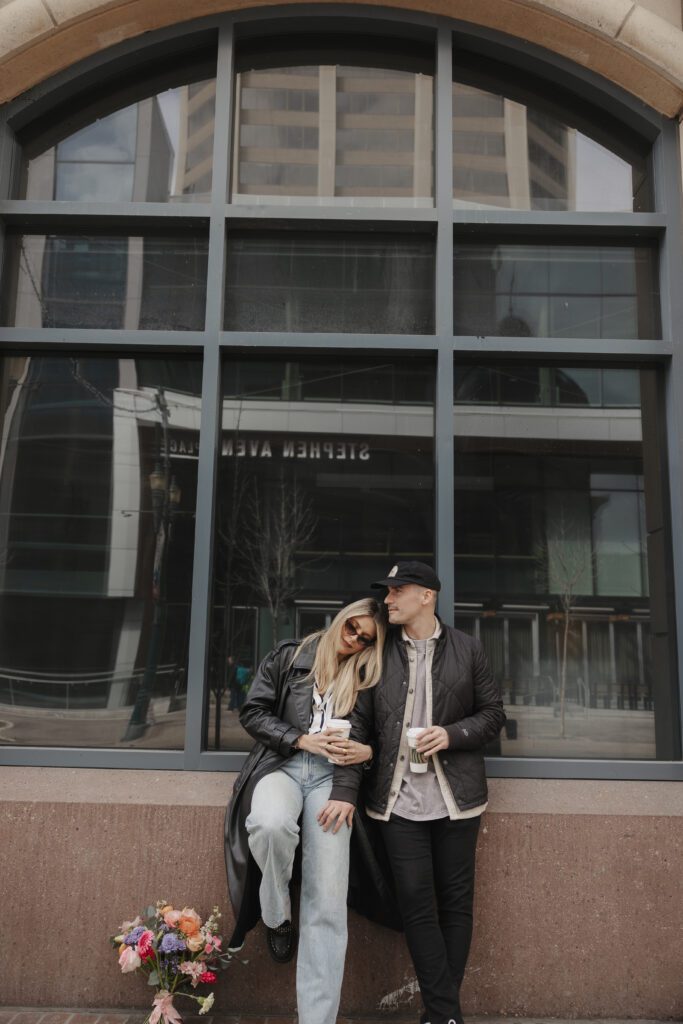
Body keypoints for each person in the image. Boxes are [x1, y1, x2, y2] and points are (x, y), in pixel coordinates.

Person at [224, 598, 385, 1024]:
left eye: (366, 639)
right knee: (271, 824)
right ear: (343, 617)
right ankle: (276, 914)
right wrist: (299, 739)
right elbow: (252, 711)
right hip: (281, 765)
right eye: (353, 628)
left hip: (333, 781)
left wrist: (356, 773)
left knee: (327, 899)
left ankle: (317, 1019)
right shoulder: (289, 655)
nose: (354, 640)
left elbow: (375, 737)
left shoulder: (367, 675)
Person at [363, 561, 505, 1024]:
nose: (388, 599)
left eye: (397, 591)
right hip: (397, 801)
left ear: (426, 595)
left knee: (455, 904)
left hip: (455, 799)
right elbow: (364, 720)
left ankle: (439, 1014)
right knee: (417, 905)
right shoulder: (380, 650)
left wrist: (451, 734)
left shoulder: (468, 648)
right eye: (387, 592)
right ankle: (446, 1014)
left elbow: (493, 715)